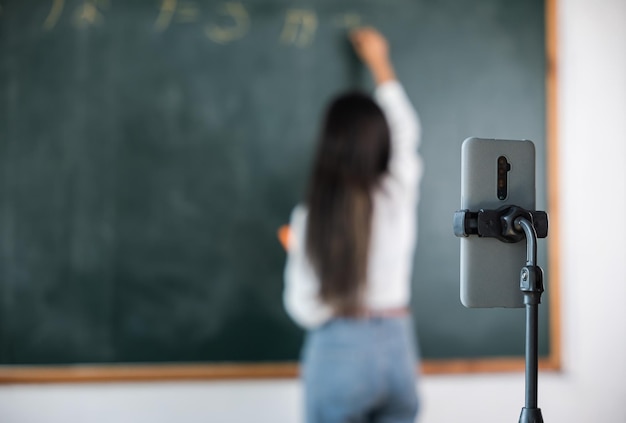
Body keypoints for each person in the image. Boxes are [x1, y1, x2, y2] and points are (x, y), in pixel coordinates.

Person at [282, 27, 423, 423]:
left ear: (327, 144)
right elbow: (406, 131)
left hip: (339, 350)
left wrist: (299, 250)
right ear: (381, 143)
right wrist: (380, 63)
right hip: (398, 344)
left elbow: (304, 307)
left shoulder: (312, 218)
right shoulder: (396, 192)